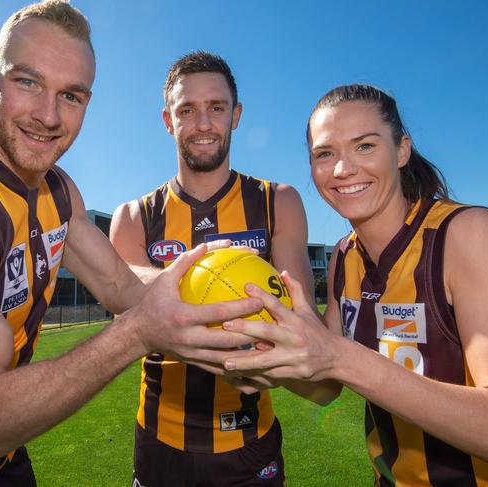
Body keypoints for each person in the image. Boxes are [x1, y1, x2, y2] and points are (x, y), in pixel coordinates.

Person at [0, 4, 263, 486]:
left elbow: (119, 282)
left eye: (70, 95)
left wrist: (229, 306)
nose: (48, 116)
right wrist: (137, 334)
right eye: (27, 82)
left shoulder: (57, 190)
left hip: (10, 463)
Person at [219, 84, 488, 485]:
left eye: (365, 146)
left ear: (402, 150)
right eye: (325, 154)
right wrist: (267, 362)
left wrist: (340, 356)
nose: (343, 169)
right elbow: (326, 387)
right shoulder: (345, 257)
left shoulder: (467, 235)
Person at [111, 51, 335, 487]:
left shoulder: (278, 202)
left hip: (250, 447)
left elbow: (301, 326)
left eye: (216, 107)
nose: (203, 123)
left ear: (236, 115)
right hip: (160, 446)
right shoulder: (133, 217)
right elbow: (129, 329)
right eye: (186, 110)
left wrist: (264, 356)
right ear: (167, 120)